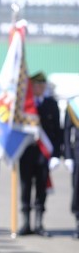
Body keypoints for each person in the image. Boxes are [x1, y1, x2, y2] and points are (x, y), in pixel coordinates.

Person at [17, 72, 62, 236]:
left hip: (44, 154)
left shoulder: (51, 104)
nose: (40, 88)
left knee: (41, 188)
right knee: (25, 187)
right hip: (26, 153)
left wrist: (56, 154)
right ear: (31, 87)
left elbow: (58, 132)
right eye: (37, 85)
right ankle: (26, 223)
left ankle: (39, 223)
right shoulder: (24, 105)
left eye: (43, 85)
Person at [63, 94, 79, 239]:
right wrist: (68, 156)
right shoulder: (74, 104)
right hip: (78, 153)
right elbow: (67, 131)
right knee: (78, 188)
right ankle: (78, 221)